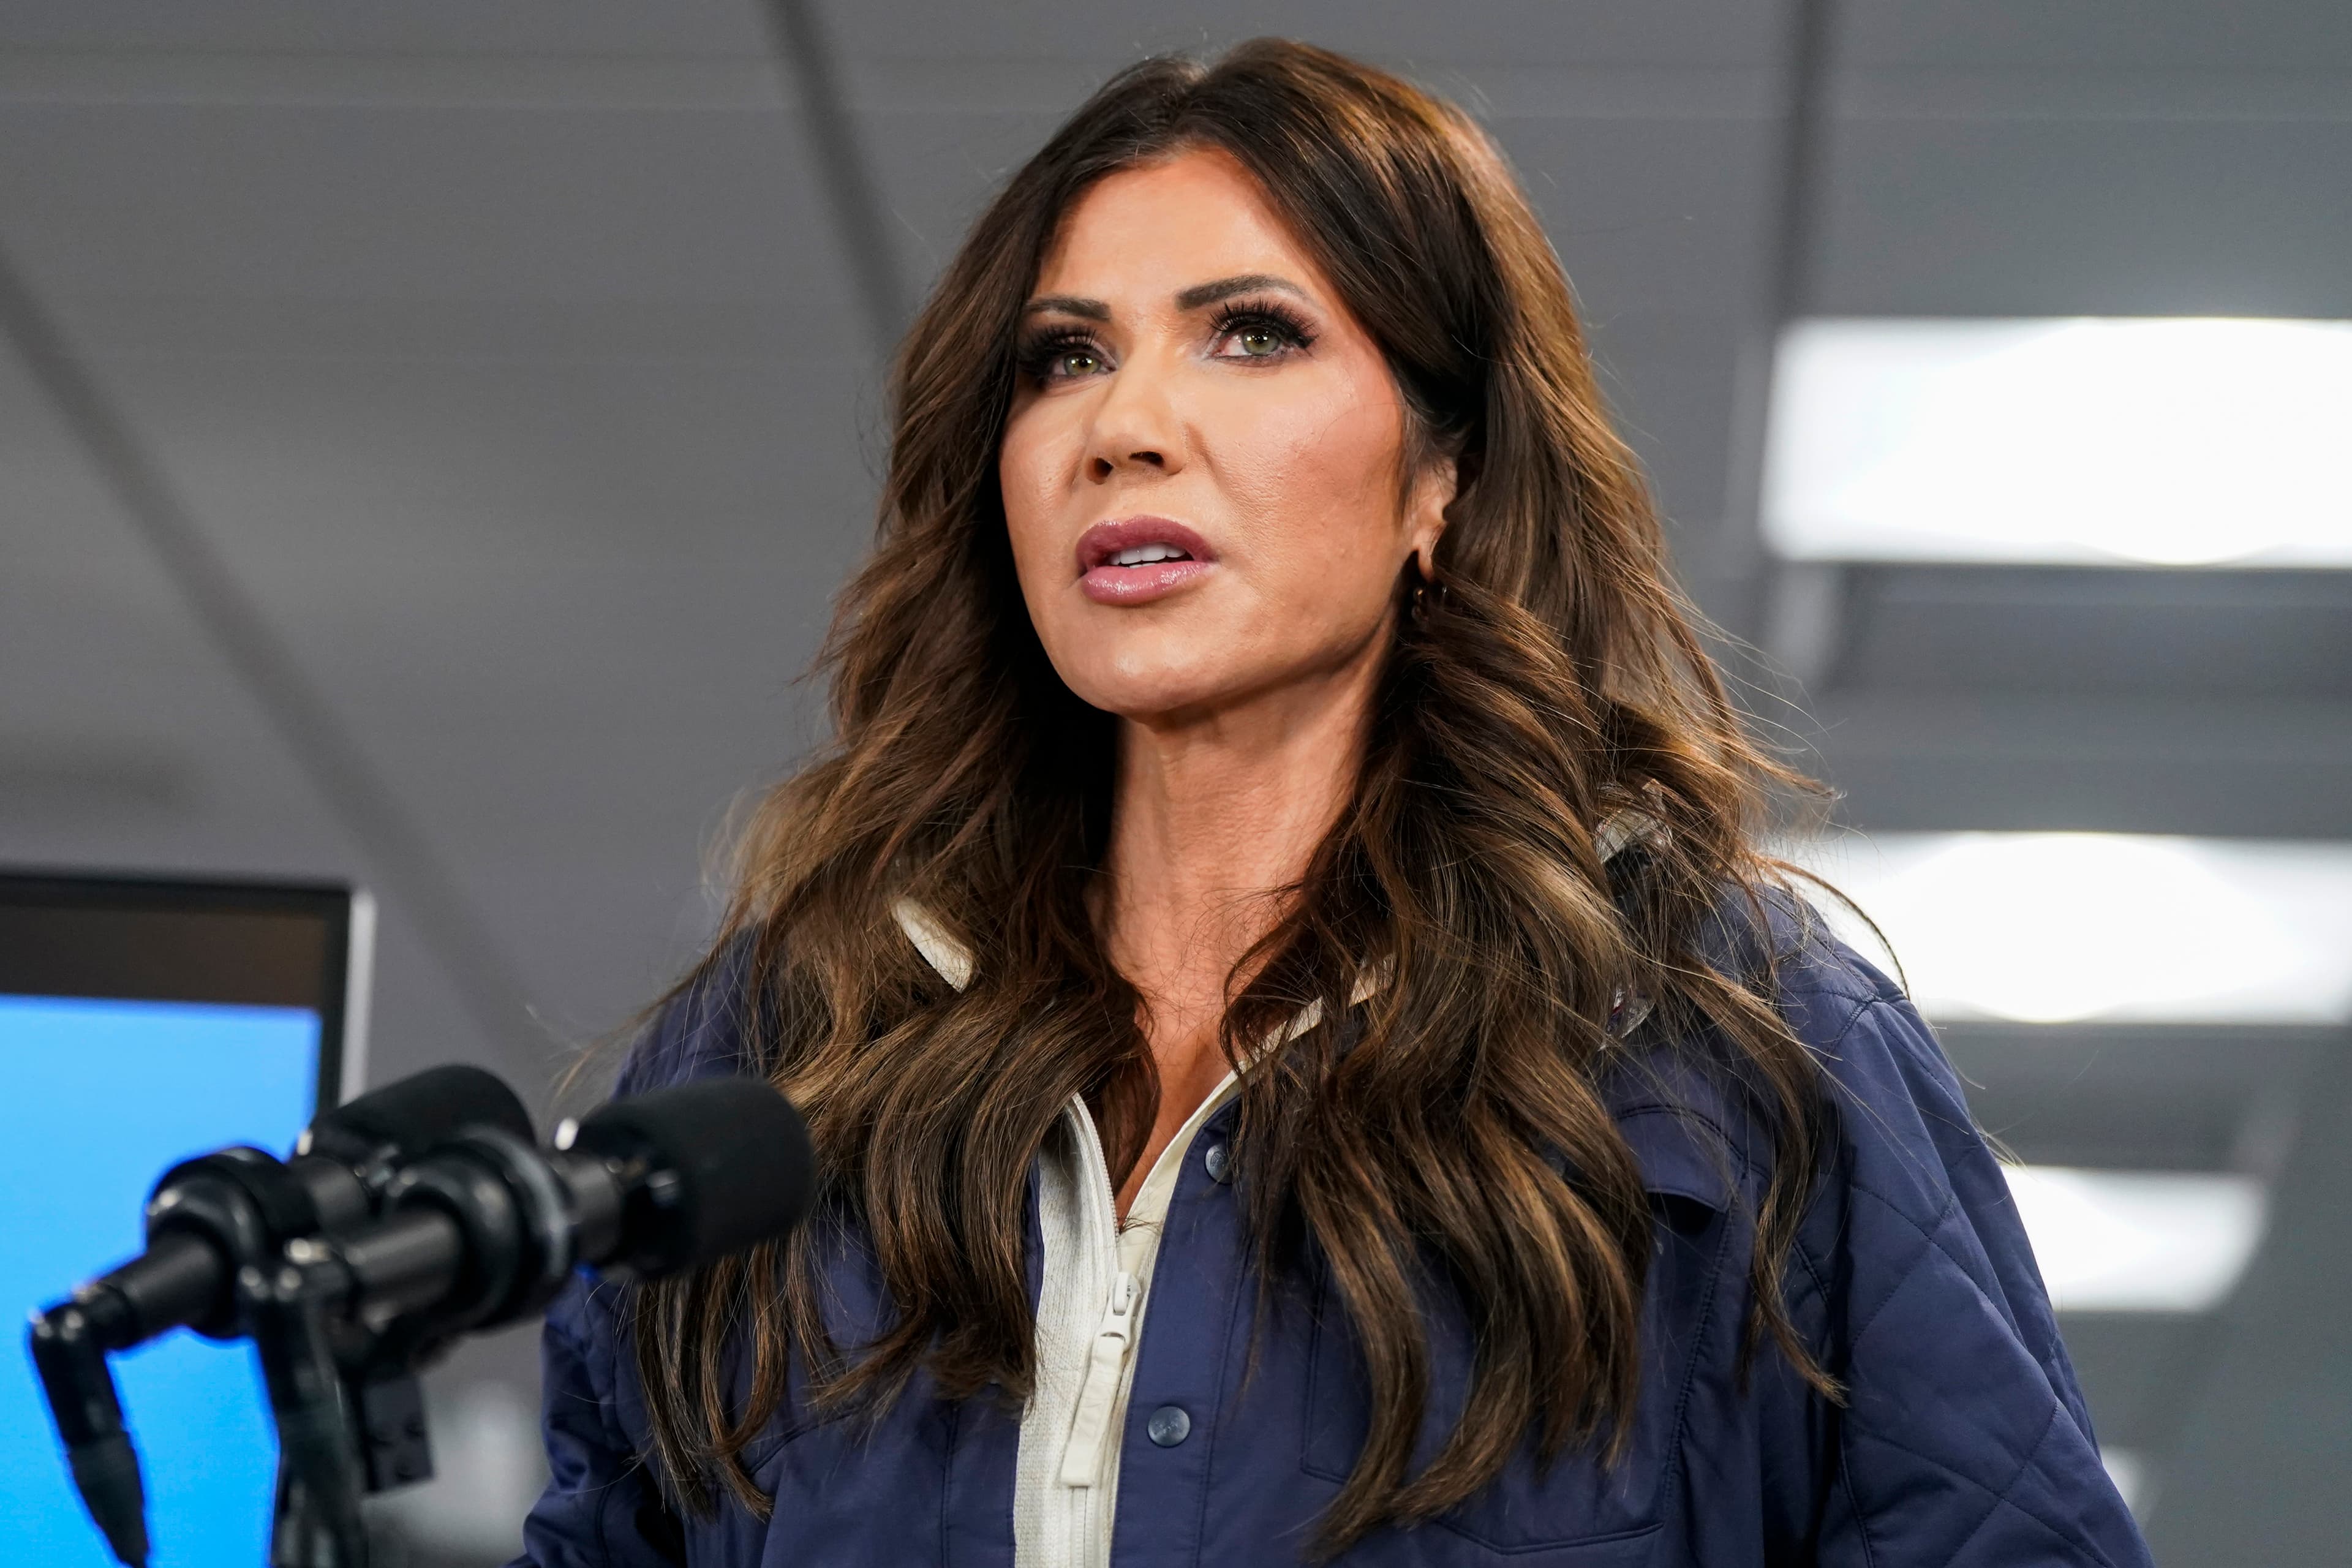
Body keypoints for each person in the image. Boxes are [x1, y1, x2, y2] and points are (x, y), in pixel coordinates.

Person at [512, 39, 2151, 1568]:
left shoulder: (1738, 1048)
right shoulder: (783, 1056)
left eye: (1253, 333)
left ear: (1442, 480)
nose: (1124, 428)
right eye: (1063, 358)